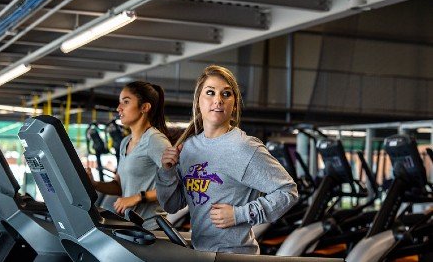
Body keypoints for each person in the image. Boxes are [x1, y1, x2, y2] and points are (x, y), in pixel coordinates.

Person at [156, 65, 299, 254]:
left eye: (226, 94)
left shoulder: (244, 147)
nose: (218, 100)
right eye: (210, 92)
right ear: (198, 100)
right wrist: (166, 172)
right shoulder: (189, 148)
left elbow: (288, 191)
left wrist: (239, 215)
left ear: (235, 104)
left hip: (235, 256)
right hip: (202, 253)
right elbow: (172, 205)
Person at [87, 81, 171, 230]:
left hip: (152, 228)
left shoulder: (155, 141)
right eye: (120, 102)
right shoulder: (125, 142)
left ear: (144, 107)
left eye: (126, 102)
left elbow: (174, 188)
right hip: (133, 226)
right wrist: (94, 184)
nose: (119, 108)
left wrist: (138, 197)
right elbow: (119, 187)